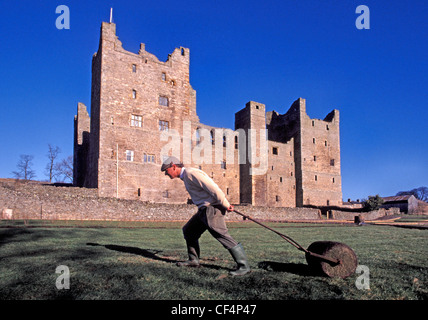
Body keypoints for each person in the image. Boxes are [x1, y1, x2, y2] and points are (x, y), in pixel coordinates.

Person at [161, 156, 250, 276]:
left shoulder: (191, 173)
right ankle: (193, 260)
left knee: (221, 235)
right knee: (189, 231)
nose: (166, 174)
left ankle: (243, 266)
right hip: (203, 210)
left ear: (173, 166)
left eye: (166, 171)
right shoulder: (185, 176)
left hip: (211, 209)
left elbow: (213, 188)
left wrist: (225, 204)